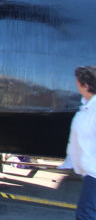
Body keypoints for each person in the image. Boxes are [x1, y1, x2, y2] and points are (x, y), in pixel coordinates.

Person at [69, 65, 96, 219]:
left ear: (86, 86)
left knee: (86, 215)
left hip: (94, 173)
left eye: (78, 83)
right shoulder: (88, 105)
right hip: (90, 172)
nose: (77, 86)